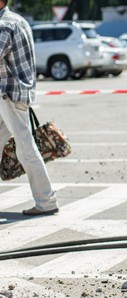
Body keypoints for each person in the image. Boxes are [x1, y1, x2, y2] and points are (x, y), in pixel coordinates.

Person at [0, 0, 58, 216]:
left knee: (26, 149)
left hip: (9, 95)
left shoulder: (4, 24)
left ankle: (46, 201)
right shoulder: (18, 20)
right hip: (15, 94)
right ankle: (46, 200)